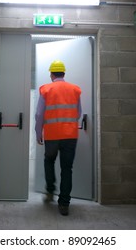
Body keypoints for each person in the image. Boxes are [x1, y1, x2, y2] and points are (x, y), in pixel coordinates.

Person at [35, 60, 82, 216]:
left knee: (49, 161)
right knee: (67, 169)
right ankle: (64, 204)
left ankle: (50, 190)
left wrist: (38, 132)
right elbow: (78, 113)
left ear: (51, 74)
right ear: (64, 73)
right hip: (70, 136)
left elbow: (39, 114)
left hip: (52, 136)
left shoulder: (46, 89)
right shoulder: (75, 90)